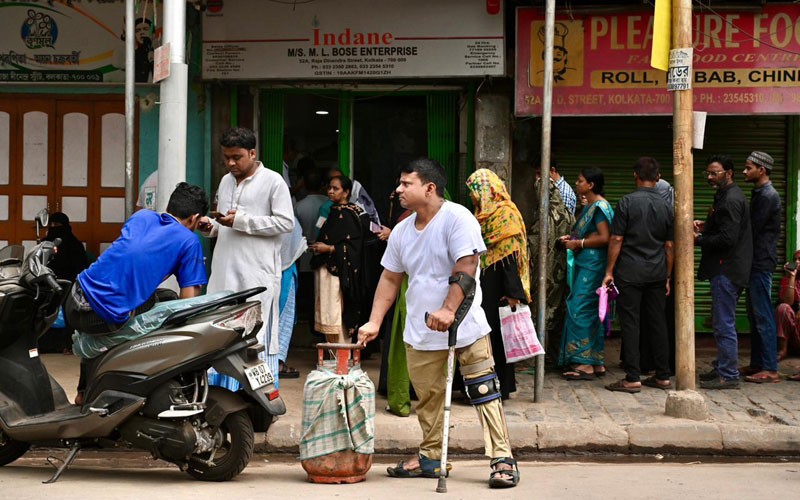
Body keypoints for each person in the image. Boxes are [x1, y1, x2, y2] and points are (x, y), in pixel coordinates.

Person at [358, 158, 519, 489]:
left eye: (406, 184)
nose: (398, 190)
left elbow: (467, 264)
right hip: (421, 327)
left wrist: (448, 309)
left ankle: (502, 458)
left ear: (429, 188)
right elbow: (390, 279)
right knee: (428, 398)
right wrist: (374, 321)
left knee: (484, 389)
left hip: (464, 323)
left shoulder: (457, 218)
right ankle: (432, 456)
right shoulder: (402, 230)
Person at [64, 182, 209, 404]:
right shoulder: (189, 241)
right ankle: (135, 384)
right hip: (94, 313)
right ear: (194, 218)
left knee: (156, 299)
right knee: (162, 308)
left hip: (75, 295)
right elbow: (188, 302)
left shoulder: (142, 217)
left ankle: (83, 393)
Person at [202, 127, 294, 390]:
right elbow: (224, 224)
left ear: (252, 153)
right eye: (226, 157)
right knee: (221, 331)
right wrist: (211, 226)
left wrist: (241, 221)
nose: (231, 163)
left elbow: (285, 223)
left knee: (257, 334)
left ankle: (258, 405)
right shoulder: (225, 181)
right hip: (224, 272)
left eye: (237, 157)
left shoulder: (273, 181)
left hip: (257, 274)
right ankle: (222, 395)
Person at [602, 158, 674, 393]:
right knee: (658, 323)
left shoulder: (627, 202)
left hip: (630, 272)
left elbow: (617, 238)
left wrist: (609, 270)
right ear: (658, 177)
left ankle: (633, 376)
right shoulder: (666, 206)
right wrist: (667, 276)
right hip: (656, 272)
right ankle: (663, 375)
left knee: (631, 323)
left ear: (635, 175)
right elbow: (670, 246)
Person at [466, 169, 530, 400]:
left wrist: (514, 293)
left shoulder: (506, 216)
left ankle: (500, 389)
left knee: (497, 340)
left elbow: (511, 257)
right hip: (481, 285)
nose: (472, 196)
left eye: (474, 191)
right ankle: (480, 385)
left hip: (499, 289)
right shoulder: (480, 216)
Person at [696, 155, 753, 390]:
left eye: (714, 173)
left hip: (727, 268)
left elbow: (727, 238)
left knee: (724, 323)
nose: (710, 177)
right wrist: (706, 226)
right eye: (707, 173)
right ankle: (722, 367)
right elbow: (724, 228)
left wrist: (699, 239)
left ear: (728, 173)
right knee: (721, 321)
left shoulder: (730, 199)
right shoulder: (726, 195)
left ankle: (728, 374)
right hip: (727, 267)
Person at [558, 167, 613, 380]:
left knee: (579, 309)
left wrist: (578, 243)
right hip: (586, 263)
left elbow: (604, 237)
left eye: (580, 181)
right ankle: (595, 360)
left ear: (590, 185)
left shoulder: (599, 207)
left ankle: (584, 362)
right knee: (590, 310)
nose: (577, 183)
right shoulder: (591, 206)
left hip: (593, 265)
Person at [309, 175, 368, 343]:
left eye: (335, 188)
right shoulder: (333, 212)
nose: (330, 191)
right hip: (324, 269)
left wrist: (328, 248)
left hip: (339, 272)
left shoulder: (351, 214)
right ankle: (332, 355)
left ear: (346, 192)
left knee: (337, 312)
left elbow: (355, 246)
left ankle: (342, 356)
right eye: (329, 188)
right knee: (327, 313)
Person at [740, 151, 782, 384]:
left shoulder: (767, 196)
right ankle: (758, 363)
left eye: (749, 168)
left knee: (763, 314)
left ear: (761, 170)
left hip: (761, 262)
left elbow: (751, 229)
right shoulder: (760, 193)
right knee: (755, 315)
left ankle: (769, 368)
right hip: (755, 261)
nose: (745, 172)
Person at [527, 175, 575, 360]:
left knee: (539, 310)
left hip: (542, 272)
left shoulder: (542, 217)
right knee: (556, 310)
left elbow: (534, 243)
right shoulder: (568, 214)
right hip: (560, 271)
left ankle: (537, 357)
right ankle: (554, 356)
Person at [277, 217, 306, 379]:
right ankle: (277, 362)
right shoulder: (288, 218)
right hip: (285, 273)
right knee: (283, 318)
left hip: (265, 271)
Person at [43, 212, 89, 283]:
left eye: (56, 224)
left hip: (67, 282)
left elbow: (79, 268)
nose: (52, 227)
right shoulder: (45, 242)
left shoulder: (74, 245)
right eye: (50, 224)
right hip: (45, 279)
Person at [777, 250, 800, 379]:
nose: (797, 262)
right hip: (793, 331)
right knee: (783, 308)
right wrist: (792, 277)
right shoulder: (787, 280)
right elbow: (788, 301)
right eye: (795, 259)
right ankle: (783, 350)